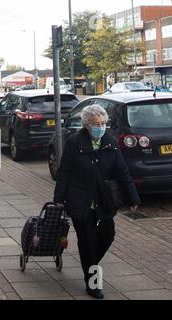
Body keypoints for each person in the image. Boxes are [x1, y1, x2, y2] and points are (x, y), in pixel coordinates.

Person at [54, 105, 140, 300]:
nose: (101, 128)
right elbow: (64, 172)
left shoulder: (110, 142)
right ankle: (93, 283)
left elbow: (122, 172)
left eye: (103, 124)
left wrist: (133, 196)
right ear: (86, 125)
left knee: (108, 235)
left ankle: (89, 262)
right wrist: (58, 199)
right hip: (80, 201)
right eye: (96, 124)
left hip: (104, 200)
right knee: (87, 242)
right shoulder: (74, 142)